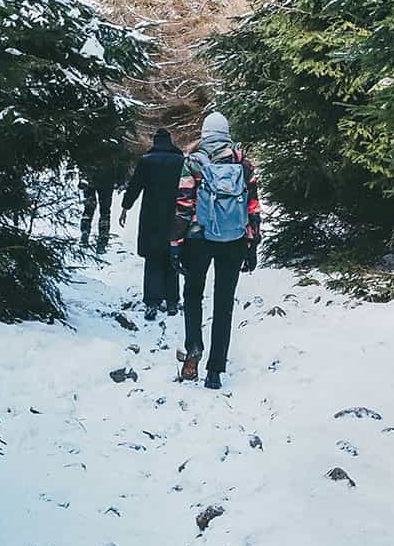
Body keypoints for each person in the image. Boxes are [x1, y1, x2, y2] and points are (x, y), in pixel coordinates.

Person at [171, 110, 260, 390]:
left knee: (193, 294)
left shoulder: (193, 162)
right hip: (233, 240)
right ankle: (215, 372)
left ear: (205, 133)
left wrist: (175, 244)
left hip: (198, 239)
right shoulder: (243, 164)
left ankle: (193, 349)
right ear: (227, 133)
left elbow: (183, 205)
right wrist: (252, 243)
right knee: (224, 303)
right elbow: (253, 207)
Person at [119, 128, 185, 319]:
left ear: (156, 142)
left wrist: (125, 207)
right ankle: (172, 301)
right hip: (174, 217)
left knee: (153, 259)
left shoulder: (147, 161)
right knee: (172, 258)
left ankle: (152, 302)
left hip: (151, 217)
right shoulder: (180, 161)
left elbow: (135, 186)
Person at [76, 141, 123, 249]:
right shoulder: (113, 139)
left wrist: (82, 175)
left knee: (88, 208)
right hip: (106, 180)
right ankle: (102, 239)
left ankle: (85, 233)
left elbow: (79, 155)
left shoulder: (89, 136)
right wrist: (120, 179)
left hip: (90, 178)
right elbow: (120, 159)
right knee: (105, 211)